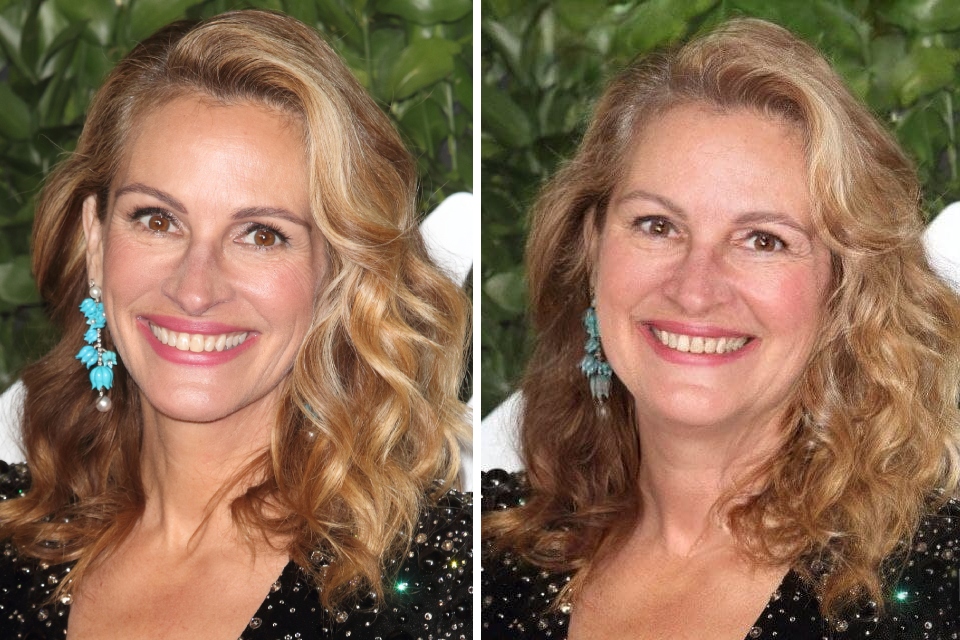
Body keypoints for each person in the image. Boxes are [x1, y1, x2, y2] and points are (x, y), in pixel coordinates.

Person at [482, 17, 960, 639]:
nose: (695, 288)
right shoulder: (486, 547)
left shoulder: (935, 589)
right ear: (591, 249)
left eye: (763, 240)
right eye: (657, 226)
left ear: (846, 288)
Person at [0, 10, 471, 639]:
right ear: (95, 239)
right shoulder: (16, 533)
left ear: (339, 271)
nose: (195, 289)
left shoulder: (443, 587)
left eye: (261, 234)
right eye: (157, 220)